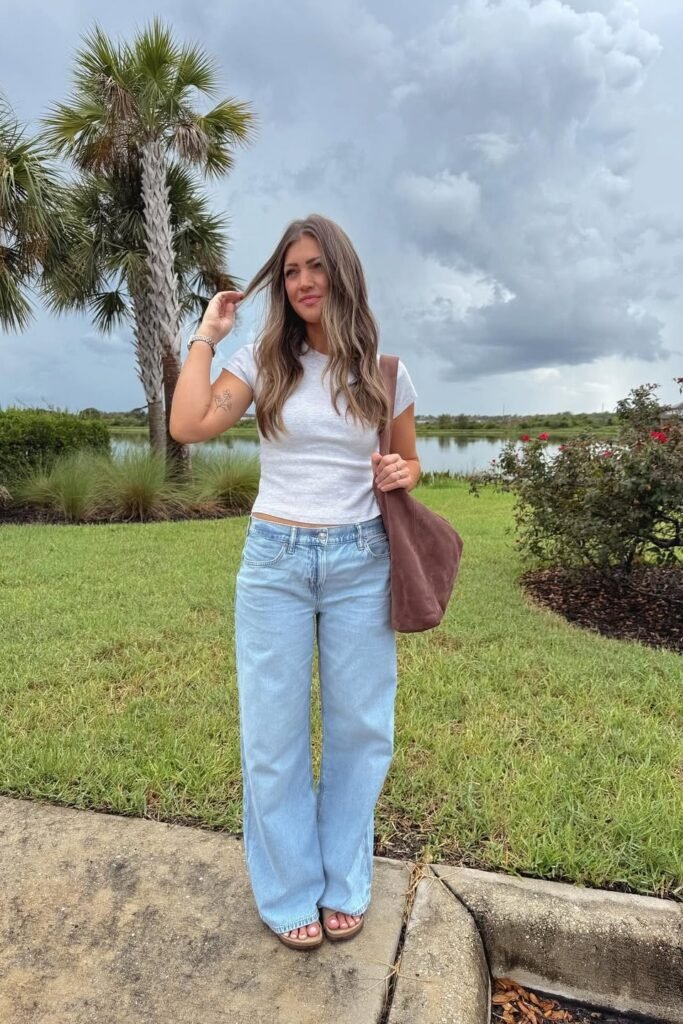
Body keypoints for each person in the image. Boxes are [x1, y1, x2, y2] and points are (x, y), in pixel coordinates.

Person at [170, 214, 419, 951]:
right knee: (273, 737)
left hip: (358, 562)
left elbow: (407, 464)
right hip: (275, 562)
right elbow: (188, 424)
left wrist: (403, 470)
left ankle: (343, 878)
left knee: (359, 730)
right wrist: (206, 335)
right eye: (290, 271)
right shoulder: (261, 359)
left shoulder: (384, 371)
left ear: (341, 272)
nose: (304, 281)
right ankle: (286, 890)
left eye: (315, 266)